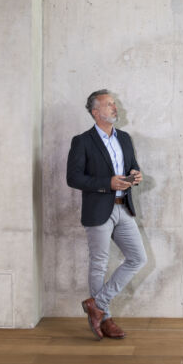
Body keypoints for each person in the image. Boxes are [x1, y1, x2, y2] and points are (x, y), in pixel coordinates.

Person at [66, 89, 147, 340]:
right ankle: (106, 318)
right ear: (95, 112)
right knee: (99, 264)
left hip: (124, 207)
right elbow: (73, 178)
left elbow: (131, 166)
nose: (115, 107)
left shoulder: (124, 138)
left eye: (114, 104)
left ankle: (97, 305)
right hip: (99, 209)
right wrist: (106, 184)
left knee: (137, 257)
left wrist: (136, 176)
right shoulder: (82, 141)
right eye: (109, 104)